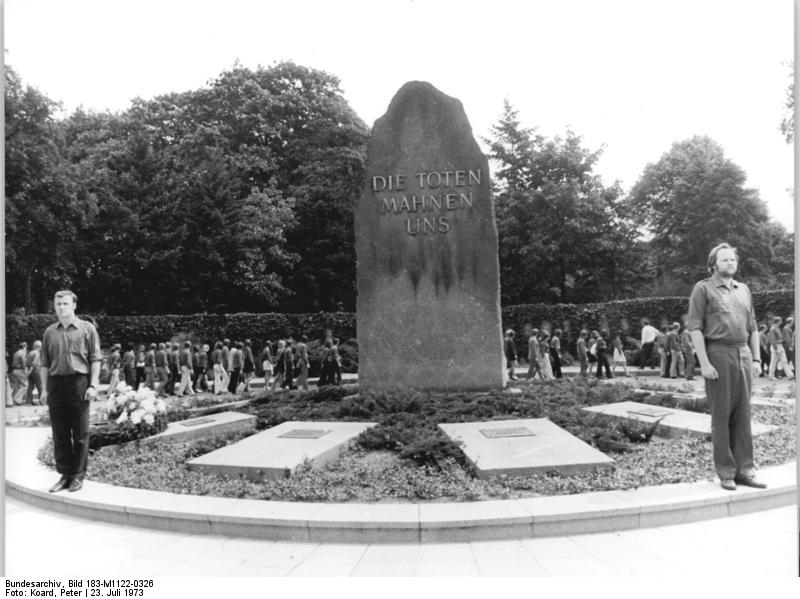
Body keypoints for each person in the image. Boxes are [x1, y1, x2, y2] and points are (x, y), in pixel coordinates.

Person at [687, 243, 766, 491]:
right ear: (713, 264)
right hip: (718, 353)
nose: (730, 263)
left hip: (742, 352)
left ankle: (746, 470)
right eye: (724, 260)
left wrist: (755, 359)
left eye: (732, 259)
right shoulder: (703, 289)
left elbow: (753, 328)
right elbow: (695, 328)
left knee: (743, 416)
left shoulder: (744, 290)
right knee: (721, 417)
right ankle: (727, 472)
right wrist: (704, 363)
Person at [40, 290, 101, 493]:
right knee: (60, 432)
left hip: (79, 383)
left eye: (66, 304)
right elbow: (45, 363)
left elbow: (95, 358)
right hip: (56, 385)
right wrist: (44, 389)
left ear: (74, 305)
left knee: (81, 432)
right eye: (58, 304)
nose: (62, 308)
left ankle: (78, 476)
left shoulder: (87, 329)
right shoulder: (49, 332)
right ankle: (65, 474)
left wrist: (93, 385)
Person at [767, 316, 794, 380]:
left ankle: (790, 375)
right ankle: (771, 376)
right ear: (777, 321)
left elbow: (780, 338)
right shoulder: (772, 329)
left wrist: (781, 341)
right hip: (775, 347)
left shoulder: (777, 328)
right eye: (780, 321)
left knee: (785, 361)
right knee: (773, 362)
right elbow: (772, 340)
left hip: (780, 346)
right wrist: (776, 349)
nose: (781, 322)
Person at [10, 341, 29, 406]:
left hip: (14, 370)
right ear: (24, 347)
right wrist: (25, 370)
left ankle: (12, 401)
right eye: (26, 347)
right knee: (25, 385)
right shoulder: (23, 353)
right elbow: (24, 362)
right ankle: (16, 399)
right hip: (20, 370)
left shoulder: (16, 352)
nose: (26, 348)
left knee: (17, 386)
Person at [25, 340, 43, 405]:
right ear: (39, 347)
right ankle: (42, 401)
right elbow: (34, 363)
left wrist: (28, 371)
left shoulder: (30, 353)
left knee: (30, 386)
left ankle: (28, 401)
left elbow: (26, 363)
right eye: (41, 346)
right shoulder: (37, 353)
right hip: (36, 370)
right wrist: (30, 371)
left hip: (30, 370)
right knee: (40, 385)